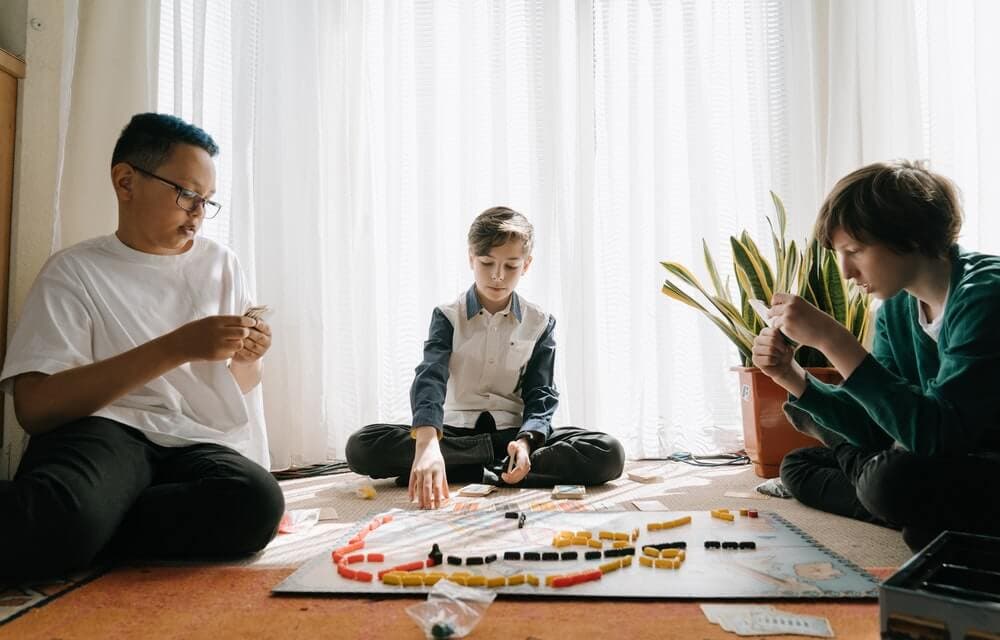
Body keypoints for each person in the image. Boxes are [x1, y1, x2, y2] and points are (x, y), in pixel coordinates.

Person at [0, 113, 284, 580]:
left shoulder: (221, 263)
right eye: (187, 194)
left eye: (207, 201)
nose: (198, 212)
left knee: (256, 503)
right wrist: (176, 347)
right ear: (126, 182)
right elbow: (34, 407)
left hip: (188, 436)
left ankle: (89, 524)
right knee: (61, 521)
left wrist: (249, 360)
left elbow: (230, 387)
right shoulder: (75, 270)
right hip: (104, 428)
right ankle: (79, 522)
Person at [752, 160, 1000, 552]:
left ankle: (896, 503)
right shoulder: (896, 311)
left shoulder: (985, 296)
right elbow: (880, 427)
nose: (846, 271)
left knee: (894, 481)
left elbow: (935, 435)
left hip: (979, 456)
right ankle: (908, 510)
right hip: (936, 456)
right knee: (798, 466)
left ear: (911, 236)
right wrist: (789, 375)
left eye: (855, 250)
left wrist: (835, 340)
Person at [346, 206, 625, 508]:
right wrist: (427, 444)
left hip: (514, 436)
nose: (497, 276)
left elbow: (540, 393)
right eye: (487, 262)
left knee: (608, 452)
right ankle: (492, 467)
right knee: (363, 445)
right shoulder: (448, 316)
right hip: (452, 433)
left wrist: (527, 441)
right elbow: (431, 377)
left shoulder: (540, 322)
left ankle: (472, 466)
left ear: (526, 265)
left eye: (511, 266)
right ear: (471, 258)